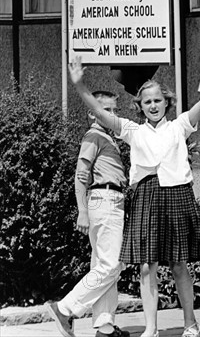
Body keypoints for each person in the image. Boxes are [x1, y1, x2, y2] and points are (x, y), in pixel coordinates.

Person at [68, 55, 200, 337]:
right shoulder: (132, 130)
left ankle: (190, 323)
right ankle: (151, 329)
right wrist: (79, 85)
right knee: (146, 266)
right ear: (139, 106)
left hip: (177, 195)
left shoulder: (180, 125)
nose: (153, 106)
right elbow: (100, 112)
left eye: (157, 100)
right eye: (147, 102)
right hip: (146, 197)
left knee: (179, 264)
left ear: (166, 102)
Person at [46, 91, 129, 337]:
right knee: (111, 265)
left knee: (104, 264)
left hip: (111, 200)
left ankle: (105, 328)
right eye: (106, 110)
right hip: (104, 199)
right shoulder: (93, 135)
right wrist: (82, 210)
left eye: (115, 110)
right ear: (92, 113)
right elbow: (81, 174)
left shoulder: (106, 136)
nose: (112, 115)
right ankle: (64, 309)